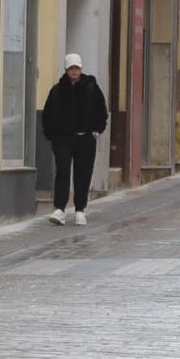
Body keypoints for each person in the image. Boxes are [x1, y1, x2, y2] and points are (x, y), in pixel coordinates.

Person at [39, 52, 110, 227]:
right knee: (62, 172)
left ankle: (79, 210)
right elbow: (48, 114)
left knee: (83, 174)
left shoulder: (91, 87)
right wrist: (51, 134)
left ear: (81, 69)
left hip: (85, 138)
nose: (74, 71)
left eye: (77, 68)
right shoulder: (57, 90)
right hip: (62, 139)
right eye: (71, 68)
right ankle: (60, 209)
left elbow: (102, 110)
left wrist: (97, 129)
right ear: (66, 69)